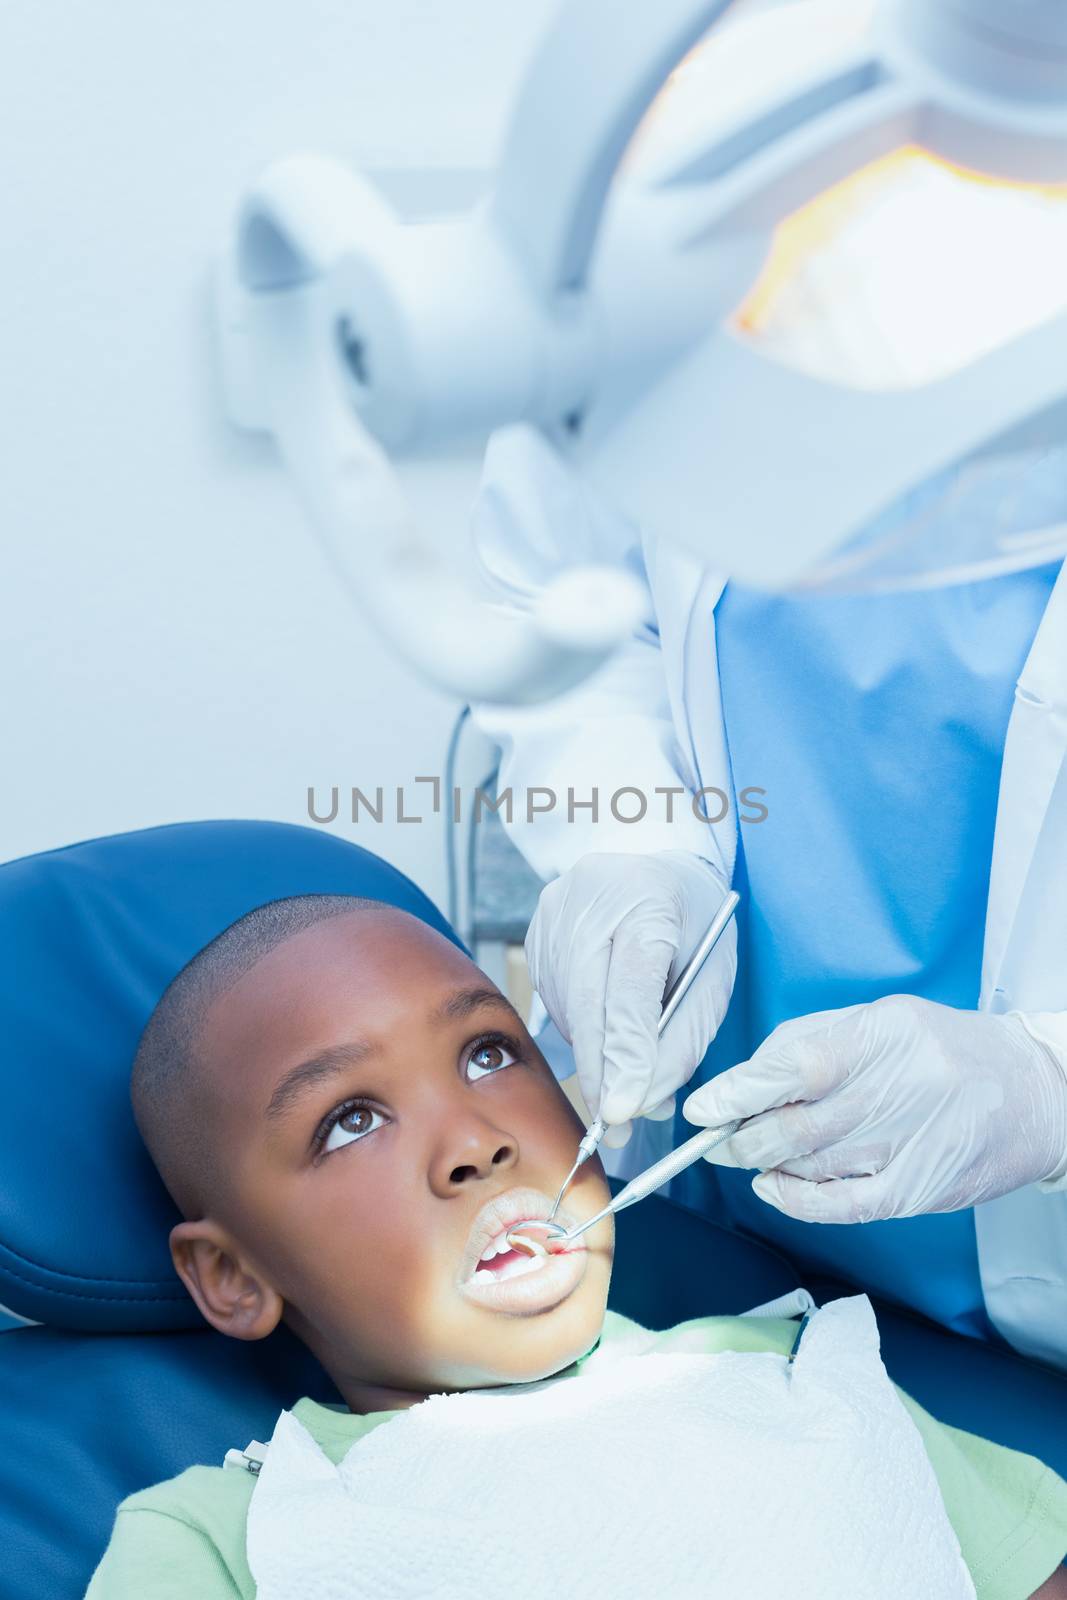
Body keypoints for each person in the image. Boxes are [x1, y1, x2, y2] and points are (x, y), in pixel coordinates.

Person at [86, 893, 1067, 1598]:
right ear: (232, 1275)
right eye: (349, 1120)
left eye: (487, 1052)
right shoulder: (218, 1540)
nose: (477, 1141)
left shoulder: (801, 1370)